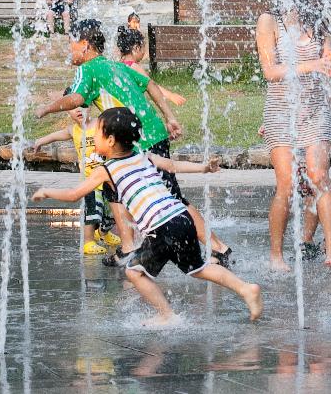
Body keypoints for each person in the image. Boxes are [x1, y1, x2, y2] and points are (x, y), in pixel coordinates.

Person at [31, 107, 263, 326]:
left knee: (134, 271)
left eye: (97, 133)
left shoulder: (107, 170)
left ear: (110, 140)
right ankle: (245, 289)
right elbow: (172, 165)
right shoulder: (143, 155)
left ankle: (166, 315)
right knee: (199, 268)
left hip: (162, 227)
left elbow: (74, 195)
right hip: (181, 217)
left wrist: (47, 191)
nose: (93, 137)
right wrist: (204, 168)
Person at [36, 20, 231, 268]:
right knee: (113, 185)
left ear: (84, 45)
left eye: (71, 45)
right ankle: (129, 248)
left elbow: (76, 98)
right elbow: (148, 84)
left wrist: (46, 109)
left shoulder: (88, 69)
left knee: (172, 199)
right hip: (149, 133)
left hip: (139, 139)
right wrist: (169, 117)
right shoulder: (114, 66)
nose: (69, 51)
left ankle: (218, 248)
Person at [255, 0, 331, 272]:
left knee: (319, 177)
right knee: (287, 185)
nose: (317, 3)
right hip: (281, 112)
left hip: (315, 110)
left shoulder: (319, 27)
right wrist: (315, 64)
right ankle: (276, 255)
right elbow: (271, 71)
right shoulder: (270, 22)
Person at [31, 106, 119, 254]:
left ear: (90, 107)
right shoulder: (73, 130)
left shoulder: (101, 123)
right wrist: (40, 141)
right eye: (73, 108)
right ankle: (88, 242)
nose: (78, 110)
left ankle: (104, 233)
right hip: (89, 181)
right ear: (68, 111)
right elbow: (55, 135)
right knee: (92, 212)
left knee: (111, 212)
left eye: (82, 106)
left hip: (108, 178)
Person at [116, 27, 186, 107]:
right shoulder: (134, 67)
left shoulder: (118, 64)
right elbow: (152, 85)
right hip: (131, 109)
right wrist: (170, 95)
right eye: (143, 47)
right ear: (137, 48)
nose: (144, 51)